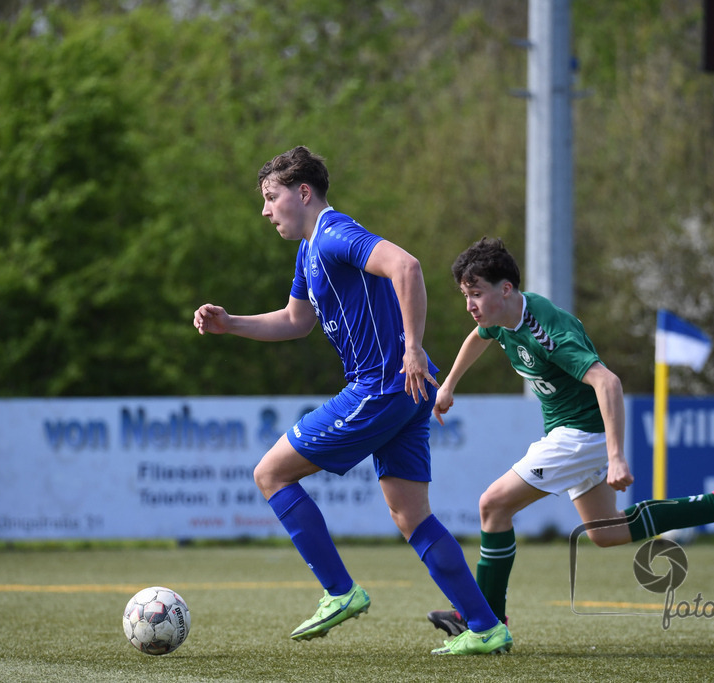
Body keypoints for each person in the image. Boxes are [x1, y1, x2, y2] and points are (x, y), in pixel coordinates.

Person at [193, 147, 512, 655]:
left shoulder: (336, 233)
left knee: (270, 474)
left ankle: (340, 591)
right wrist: (231, 324)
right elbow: (296, 321)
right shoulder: (308, 252)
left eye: (271, 197)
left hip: (383, 385)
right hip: (408, 388)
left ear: (303, 193)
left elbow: (406, 267)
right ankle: (485, 625)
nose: (265, 210)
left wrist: (410, 348)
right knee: (411, 516)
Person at [426, 236, 714, 637]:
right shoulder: (499, 319)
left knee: (493, 506)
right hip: (572, 433)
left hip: (581, 435)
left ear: (505, 289)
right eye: (465, 295)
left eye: (476, 294)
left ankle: (486, 621)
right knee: (606, 532)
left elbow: (607, 382)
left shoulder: (544, 329)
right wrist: (449, 384)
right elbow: (479, 339)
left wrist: (616, 456)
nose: (469, 305)